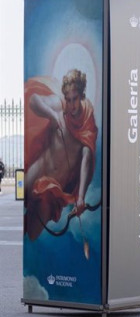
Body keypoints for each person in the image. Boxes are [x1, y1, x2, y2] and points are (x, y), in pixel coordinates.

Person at [24, 69, 98, 242]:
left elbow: (87, 158)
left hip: (52, 190)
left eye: (75, 99)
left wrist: (80, 198)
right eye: (69, 99)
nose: (72, 105)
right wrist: (51, 113)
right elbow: (34, 101)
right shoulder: (61, 104)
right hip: (40, 169)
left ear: (82, 96)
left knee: (32, 234)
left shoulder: (88, 122)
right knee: (22, 213)